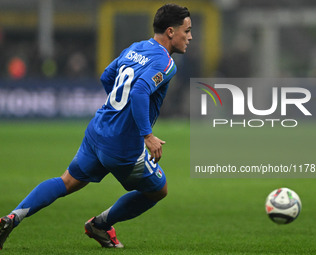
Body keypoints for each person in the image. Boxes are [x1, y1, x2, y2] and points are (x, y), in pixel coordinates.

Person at [0, 3, 192, 250]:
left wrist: (117, 112)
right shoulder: (166, 63)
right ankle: (100, 224)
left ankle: (13, 217)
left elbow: (106, 76)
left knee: (67, 181)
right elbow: (141, 90)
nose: (190, 36)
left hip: (98, 130)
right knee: (159, 190)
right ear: (170, 32)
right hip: (123, 146)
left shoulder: (135, 48)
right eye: (186, 30)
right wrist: (147, 135)